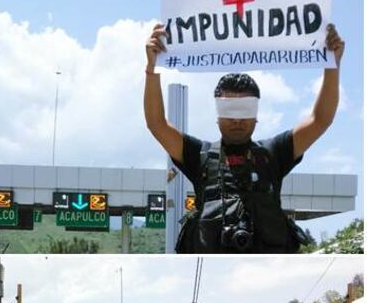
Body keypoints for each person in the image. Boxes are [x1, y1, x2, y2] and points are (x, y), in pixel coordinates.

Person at [143, 22, 345, 253]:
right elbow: (156, 124)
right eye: (229, 111)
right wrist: (152, 68)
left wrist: (332, 65)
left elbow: (320, 120)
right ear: (217, 115)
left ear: (256, 115)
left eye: (245, 110)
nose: (237, 120)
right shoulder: (198, 156)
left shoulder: (274, 153)